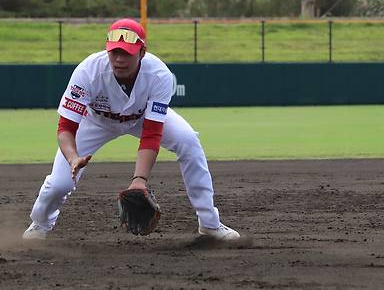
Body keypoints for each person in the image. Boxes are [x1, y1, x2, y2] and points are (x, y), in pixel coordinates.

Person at [23, 18, 239, 241]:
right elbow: (66, 127)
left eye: (127, 53)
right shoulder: (88, 71)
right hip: (96, 121)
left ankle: (210, 225)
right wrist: (72, 157)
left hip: (140, 118)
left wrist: (139, 180)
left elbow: (152, 132)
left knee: (188, 141)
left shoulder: (159, 75)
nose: (119, 59)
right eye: (114, 52)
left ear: (142, 52)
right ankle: (40, 224)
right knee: (60, 184)